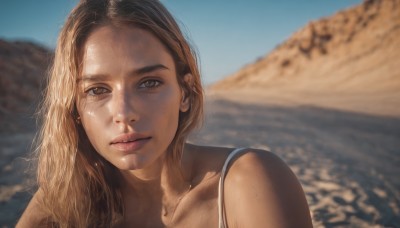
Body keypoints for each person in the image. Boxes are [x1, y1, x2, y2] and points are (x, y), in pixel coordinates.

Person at [17, 0, 312, 227]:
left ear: (185, 91)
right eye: (97, 90)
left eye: (149, 83)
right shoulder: (63, 202)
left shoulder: (249, 182)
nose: (124, 113)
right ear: (75, 109)